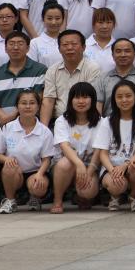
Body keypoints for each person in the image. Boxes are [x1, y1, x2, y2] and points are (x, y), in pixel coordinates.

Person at [0, 89, 57, 214]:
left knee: (39, 186)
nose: (28, 106)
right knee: (9, 167)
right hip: (14, 173)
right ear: (17, 106)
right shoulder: (7, 127)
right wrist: (6, 159)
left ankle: (35, 198)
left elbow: (47, 159)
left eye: (32, 103)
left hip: (35, 172)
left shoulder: (44, 131)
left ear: (38, 106)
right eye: (23, 103)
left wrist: (40, 174)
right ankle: (10, 200)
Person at [97, 80, 135, 212]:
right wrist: (112, 170)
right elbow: (103, 153)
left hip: (133, 163)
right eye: (119, 97)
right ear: (114, 100)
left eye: (128, 96)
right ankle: (115, 197)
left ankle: (133, 196)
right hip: (112, 167)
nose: (124, 100)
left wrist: (126, 165)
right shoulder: (107, 121)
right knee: (117, 184)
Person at [49, 82, 104, 213]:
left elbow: (99, 150)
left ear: (93, 100)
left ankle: (81, 196)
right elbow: (64, 146)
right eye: (77, 97)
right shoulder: (62, 121)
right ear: (70, 100)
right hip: (67, 165)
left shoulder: (102, 122)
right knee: (65, 163)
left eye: (85, 97)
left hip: (90, 166)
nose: (81, 101)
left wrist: (89, 171)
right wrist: (79, 164)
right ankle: (58, 201)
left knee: (87, 192)